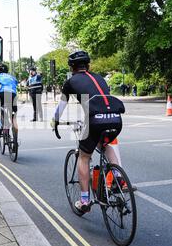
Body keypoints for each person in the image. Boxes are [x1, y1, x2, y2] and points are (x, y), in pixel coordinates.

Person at [51, 51, 127, 214]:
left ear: (72, 67)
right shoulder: (100, 77)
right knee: (106, 145)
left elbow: (62, 106)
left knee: (84, 157)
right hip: (115, 118)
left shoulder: (70, 82)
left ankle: (84, 200)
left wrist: (55, 121)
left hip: (95, 119)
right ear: (88, 65)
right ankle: (118, 177)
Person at [0, 63, 19, 137]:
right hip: (13, 95)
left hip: (2, 94)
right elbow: (15, 87)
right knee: (13, 117)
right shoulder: (13, 78)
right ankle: (15, 141)